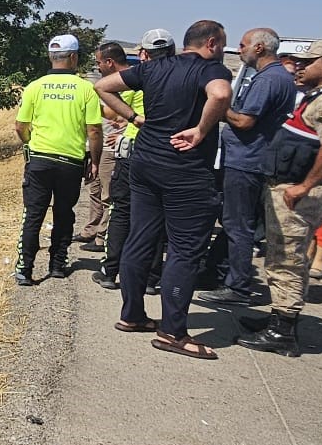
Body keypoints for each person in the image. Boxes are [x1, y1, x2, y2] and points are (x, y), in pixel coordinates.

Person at [95, 20, 232, 360]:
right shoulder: (210, 70)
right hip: (184, 169)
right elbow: (221, 95)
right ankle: (172, 332)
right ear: (212, 43)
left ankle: (132, 314)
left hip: (145, 161)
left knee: (141, 237)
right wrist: (201, 130)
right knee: (185, 249)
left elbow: (103, 86)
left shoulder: (153, 68)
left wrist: (133, 118)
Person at [236, 40, 322, 354]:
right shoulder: (318, 97)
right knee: (280, 257)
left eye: (310, 61)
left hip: (297, 191)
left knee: (287, 261)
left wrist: (303, 187)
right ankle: (278, 318)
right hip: (289, 186)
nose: (302, 67)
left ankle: (283, 332)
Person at [201, 28, 297, 306]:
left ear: (259, 48)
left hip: (247, 160)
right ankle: (217, 273)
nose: (239, 50)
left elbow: (245, 121)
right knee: (235, 221)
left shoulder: (268, 80)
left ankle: (238, 286)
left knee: (237, 224)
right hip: (250, 158)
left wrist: (219, 106)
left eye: (243, 46)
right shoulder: (276, 77)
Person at [12, 34, 104, 285]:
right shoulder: (86, 89)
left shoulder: (35, 86)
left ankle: (25, 269)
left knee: (33, 215)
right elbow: (94, 131)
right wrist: (94, 161)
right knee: (64, 214)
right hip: (70, 163)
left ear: (51, 57)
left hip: (39, 160)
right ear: (74, 57)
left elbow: (20, 126)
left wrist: (31, 143)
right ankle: (57, 264)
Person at [95, 33, 167, 292]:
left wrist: (131, 119)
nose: (99, 68)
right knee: (156, 214)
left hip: (133, 148)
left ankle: (110, 269)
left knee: (121, 210)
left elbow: (112, 107)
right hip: (160, 150)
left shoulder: (135, 78)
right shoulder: (174, 78)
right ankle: (151, 276)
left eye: (100, 63)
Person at [81, 43, 131, 254]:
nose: (97, 67)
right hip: (98, 144)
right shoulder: (107, 82)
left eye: (99, 62)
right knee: (94, 189)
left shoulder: (131, 82)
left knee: (108, 193)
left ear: (109, 62)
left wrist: (125, 129)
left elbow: (134, 114)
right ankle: (91, 230)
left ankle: (104, 237)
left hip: (114, 147)